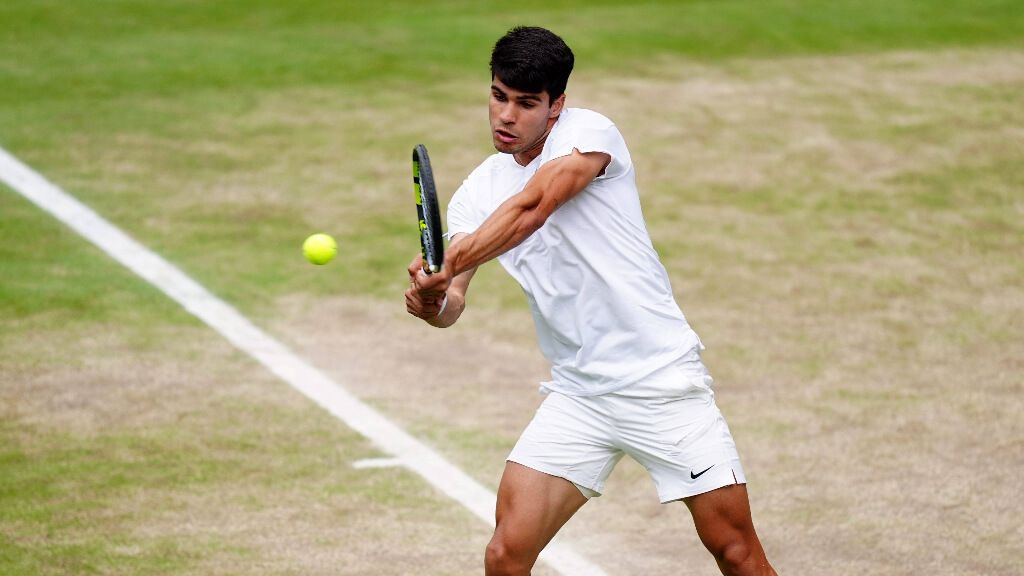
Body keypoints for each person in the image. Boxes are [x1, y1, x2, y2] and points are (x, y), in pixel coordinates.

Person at [405, 26, 777, 576]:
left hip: (662, 384)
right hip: (579, 395)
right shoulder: (475, 193)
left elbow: (534, 206)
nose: (506, 116)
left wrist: (450, 262)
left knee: (735, 550)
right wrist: (431, 300)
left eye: (526, 104)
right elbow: (452, 302)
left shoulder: (589, 134)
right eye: (498, 96)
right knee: (505, 554)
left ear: (557, 107)